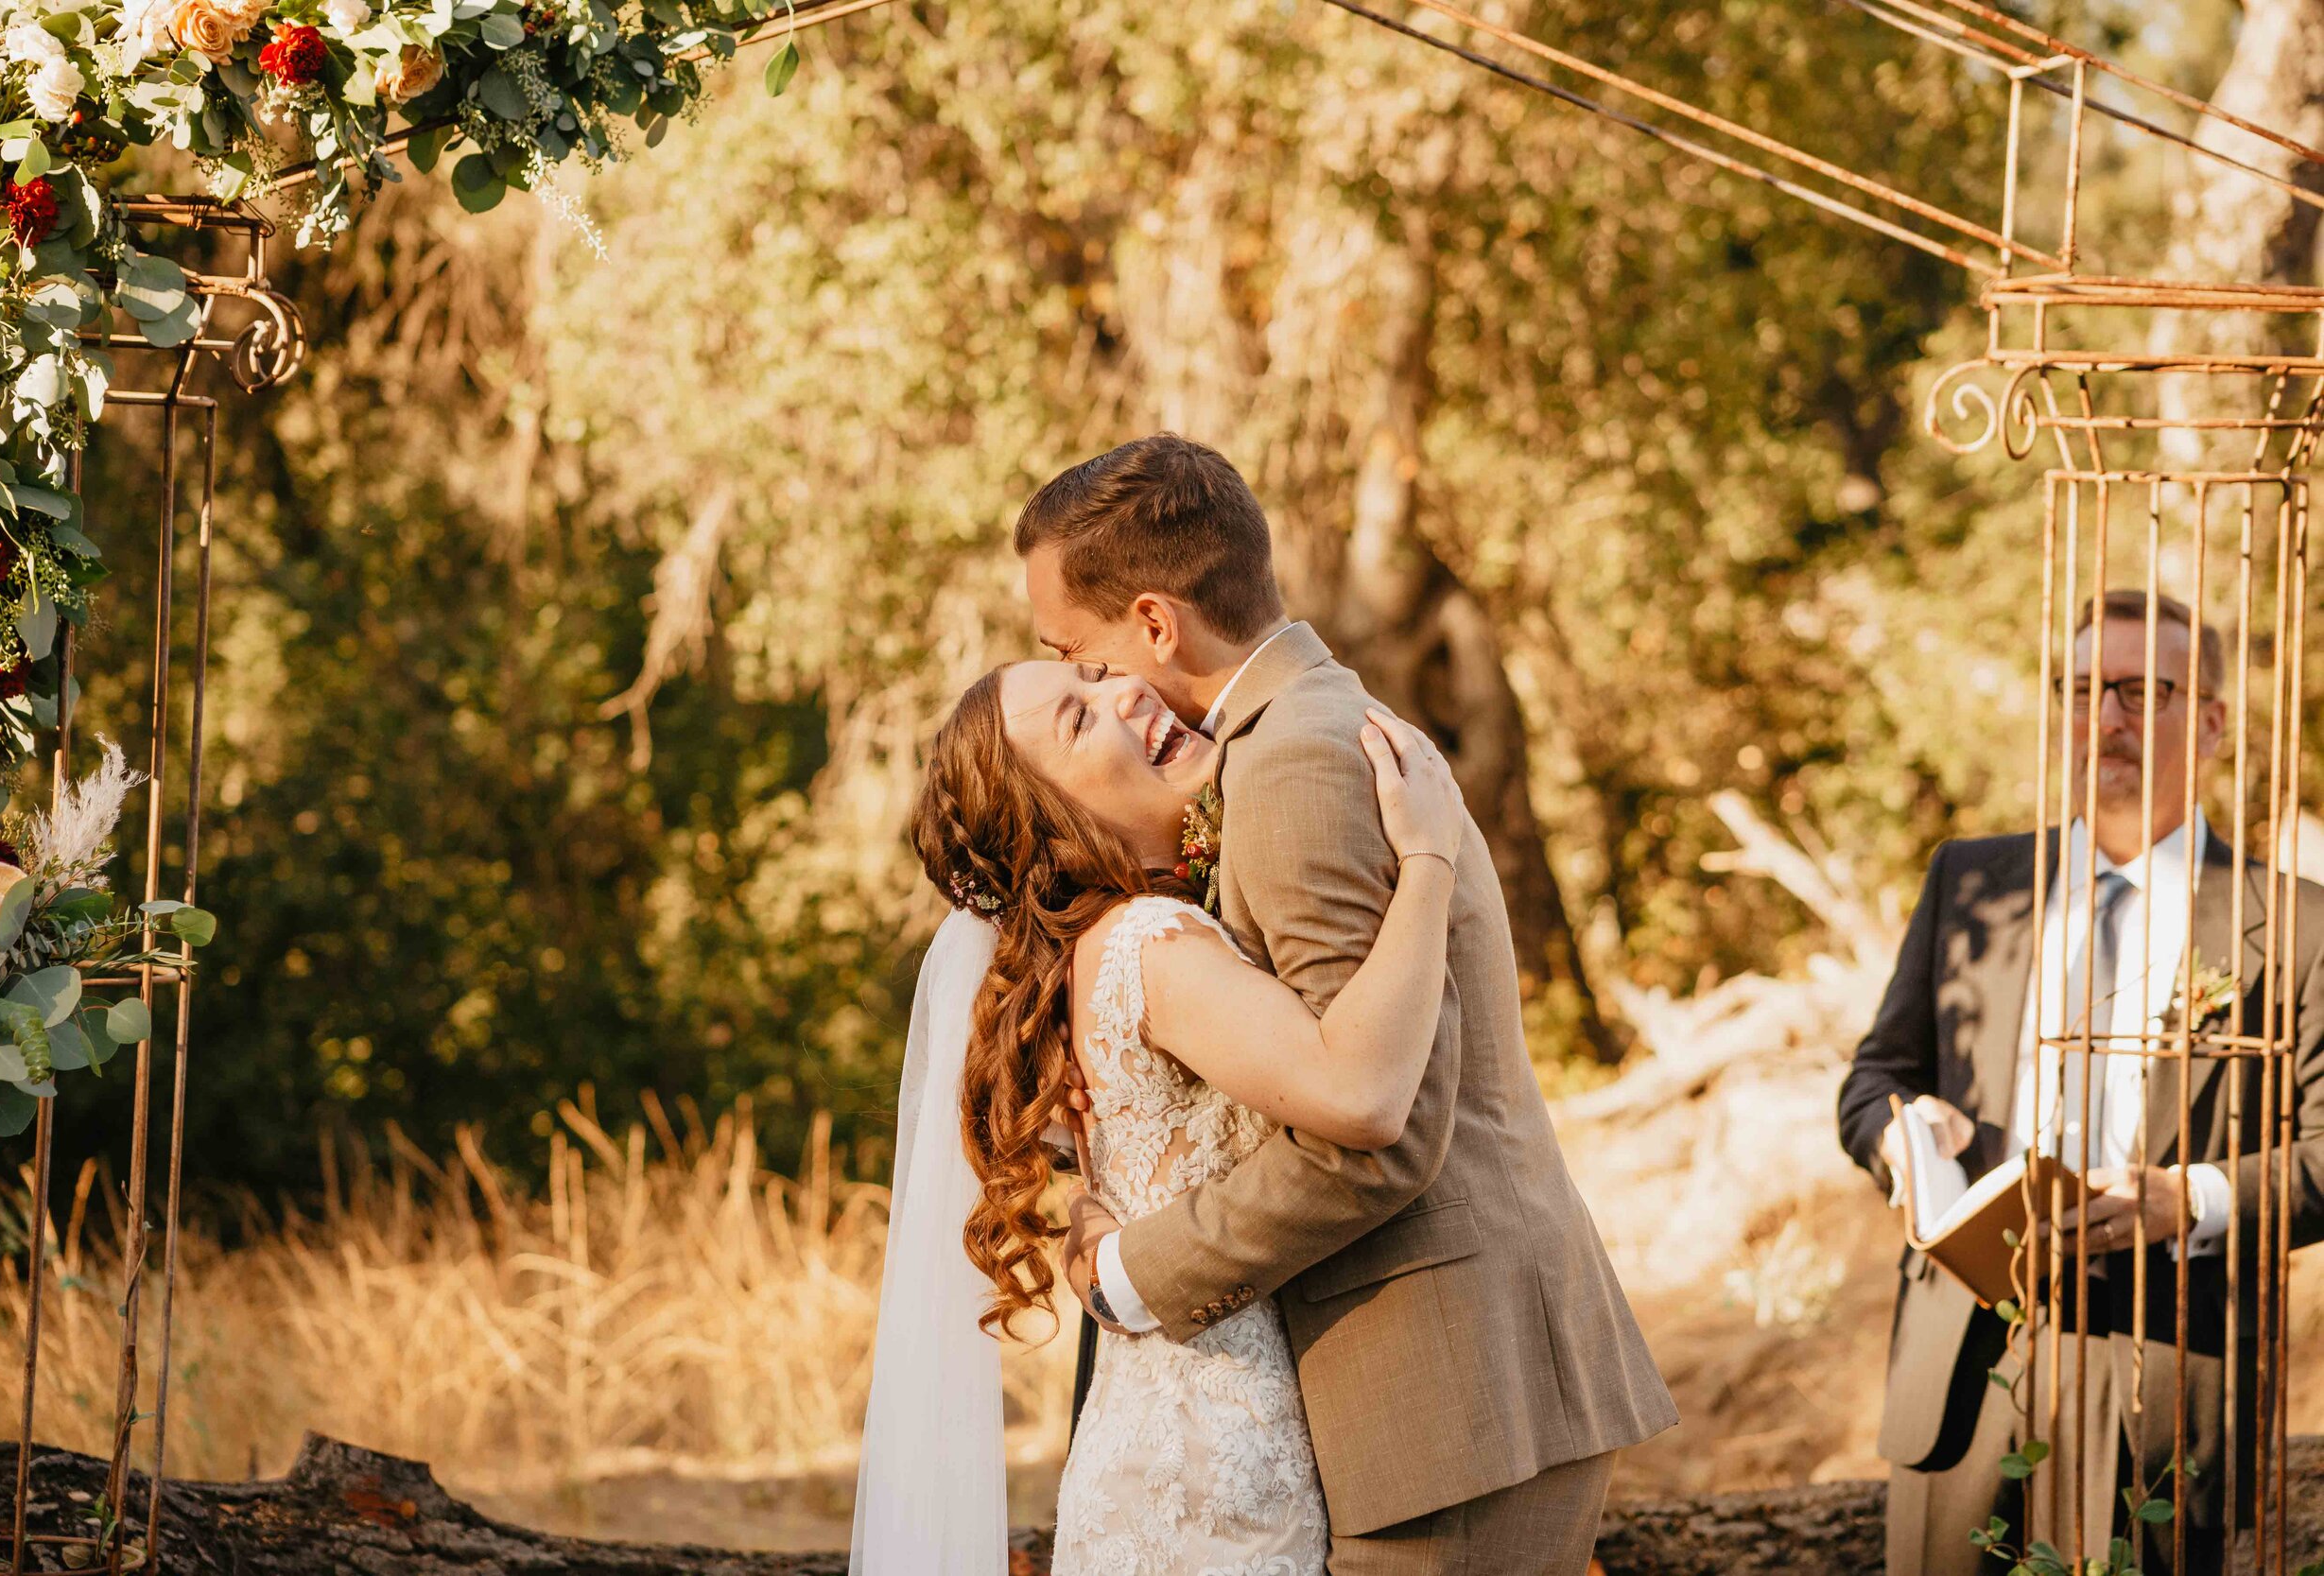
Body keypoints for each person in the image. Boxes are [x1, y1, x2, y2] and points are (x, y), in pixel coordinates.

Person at [978, 433, 1672, 1574]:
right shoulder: (1281, 738)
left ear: (1156, 622)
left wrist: (1133, 1271)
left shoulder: (1293, 764)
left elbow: (1375, 1130)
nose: (1097, 690)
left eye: (1081, 657)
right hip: (1432, 1383)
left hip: (1445, 1388)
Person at [1836, 590, 2324, 1576]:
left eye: (2144, 691)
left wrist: (2186, 1196)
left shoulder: (2295, 922)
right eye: (2086, 689)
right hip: (1965, 1355)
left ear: (2215, 720)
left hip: (2168, 1361)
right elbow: (1875, 1075)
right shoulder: (1970, 881)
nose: (2108, 718)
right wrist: (1902, 1136)